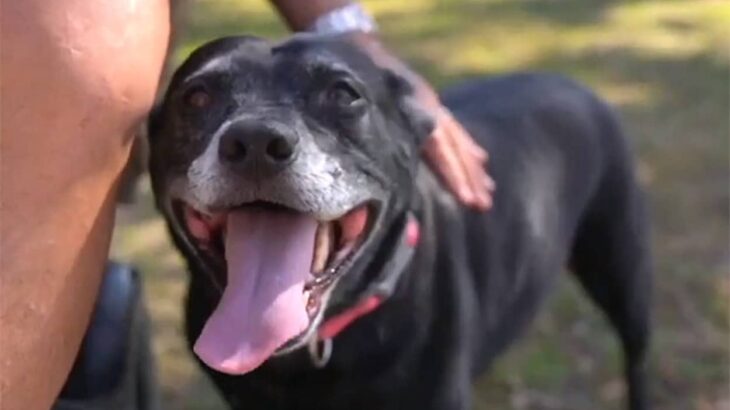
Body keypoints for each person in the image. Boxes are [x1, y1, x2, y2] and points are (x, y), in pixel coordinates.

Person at [0, 1, 494, 408]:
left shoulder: (434, 309)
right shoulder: (205, 309)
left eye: (341, 95)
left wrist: (347, 26)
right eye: (199, 102)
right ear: (150, 149)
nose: (256, 136)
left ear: (409, 130)